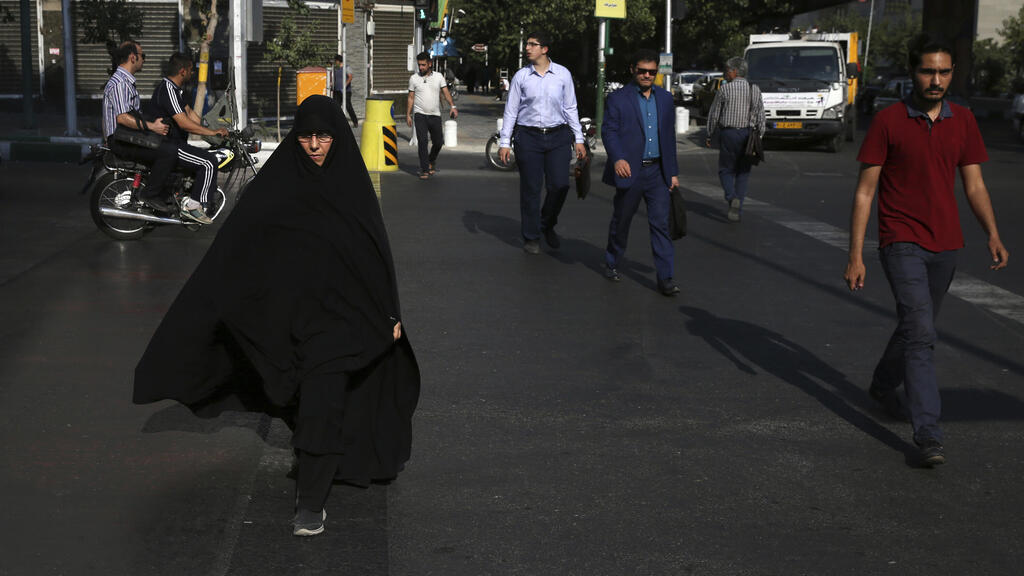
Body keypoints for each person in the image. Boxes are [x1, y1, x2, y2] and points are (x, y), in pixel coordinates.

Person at [133, 95, 420, 536]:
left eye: (323, 136)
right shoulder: (276, 185)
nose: (315, 145)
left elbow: (374, 255)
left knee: (323, 399)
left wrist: (389, 312)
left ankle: (310, 502)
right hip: (290, 320)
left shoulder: (351, 187)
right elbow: (237, 248)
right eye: (306, 136)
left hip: (343, 320)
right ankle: (319, 457)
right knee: (306, 401)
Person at [843, 39, 1009, 467]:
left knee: (917, 324)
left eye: (944, 72)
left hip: (947, 244)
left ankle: (882, 384)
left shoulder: (964, 120)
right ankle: (928, 433)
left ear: (953, 73)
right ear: (912, 72)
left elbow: (974, 184)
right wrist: (855, 254)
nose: (936, 81)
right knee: (921, 334)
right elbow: (865, 192)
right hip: (901, 241)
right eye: (927, 72)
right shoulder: (888, 121)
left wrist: (991, 232)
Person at [498, 30, 587, 254]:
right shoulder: (521, 77)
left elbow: (570, 107)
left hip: (558, 136)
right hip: (528, 137)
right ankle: (531, 236)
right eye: (527, 44)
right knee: (531, 188)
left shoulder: (563, 75)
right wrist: (505, 142)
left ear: (544, 49)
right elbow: (511, 111)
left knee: (560, 185)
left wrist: (579, 138)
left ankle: (546, 223)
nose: (527, 48)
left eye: (532, 44)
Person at [601, 49, 680, 296]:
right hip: (629, 171)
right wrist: (617, 158)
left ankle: (665, 278)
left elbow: (669, 137)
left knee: (660, 225)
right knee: (621, 221)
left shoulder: (666, 99)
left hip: (658, 172)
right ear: (633, 70)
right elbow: (609, 131)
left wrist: (673, 172)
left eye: (652, 72)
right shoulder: (618, 99)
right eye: (642, 71)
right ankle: (612, 261)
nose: (647, 76)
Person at [147, 52, 230, 224]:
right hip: (168, 145)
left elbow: (190, 114)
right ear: (183, 71)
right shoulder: (167, 89)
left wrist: (213, 129)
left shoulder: (177, 90)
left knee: (205, 155)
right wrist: (211, 133)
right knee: (208, 162)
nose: (193, 73)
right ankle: (193, 207)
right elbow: (184, 123)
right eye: (191, 70)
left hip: (175, 143)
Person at [101, 40, 175, 213]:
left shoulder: (125, 81)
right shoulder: (120, 83)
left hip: (125, 136)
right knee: (168, 152)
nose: (144, 60)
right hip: (121, 140)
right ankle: (150, 194)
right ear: (133, 57)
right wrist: (152, 127)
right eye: (143, 56)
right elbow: (123, 118)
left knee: (171, 143)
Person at [704, 57, 765, 223]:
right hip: (748, 135)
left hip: (729, 134)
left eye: (727, 70)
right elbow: (761, 115)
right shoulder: (755, 89)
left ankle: (731, 197)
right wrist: (759, 137)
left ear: (734, 71)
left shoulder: (725, 90)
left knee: (725, 170)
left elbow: (714, 114)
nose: (725, 74)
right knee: (743, 173)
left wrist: (709, 134)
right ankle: (738, 208)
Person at [406, 52, 457, 180]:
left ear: (430, 64)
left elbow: (445, 92)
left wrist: (452, 106)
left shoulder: (439, 77)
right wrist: (408, 115)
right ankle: (424, 169)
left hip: (435, 115)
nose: (421, 67)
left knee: (438, 142)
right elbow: (411, 98)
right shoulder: (414, 79)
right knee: (422, 142)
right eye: (419, 65)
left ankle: (431, 160)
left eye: (423, 65)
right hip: (420, 115)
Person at [333, 55, 358, 127]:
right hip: (337, 91)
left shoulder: (347, 67)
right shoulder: (336, 69)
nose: (335, 62)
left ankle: (355, 121)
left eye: (336, 61)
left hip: (346, 91)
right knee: (336, 107)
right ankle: (336, 122)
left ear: (338, 61)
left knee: (348, 106)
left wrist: (344, 86)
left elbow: (350, 77)